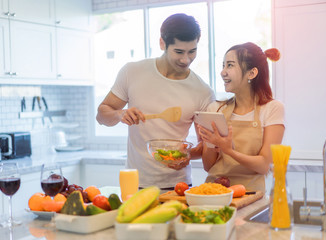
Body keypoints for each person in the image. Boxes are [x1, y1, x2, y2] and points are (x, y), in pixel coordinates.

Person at [96, 13, 215, 190]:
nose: (186, 59)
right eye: (179, 52)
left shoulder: (202, 91)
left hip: (178, 186)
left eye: (192, 51)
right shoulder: (132, 72)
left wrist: (186, 155)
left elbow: (206, 146)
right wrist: (119, 114)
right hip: (135, 183)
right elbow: (101, 116)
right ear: (162, 43)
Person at [198, 42, 284, 193]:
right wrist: (211, 145)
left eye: (230, 65)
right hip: (214, 193)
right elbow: (208, 166)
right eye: (223, 65)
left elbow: (264, 165)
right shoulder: (215, 109)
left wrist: (229, 151)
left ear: (252, 73)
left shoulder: (272, 109)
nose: (222, 72)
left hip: (251, 196)